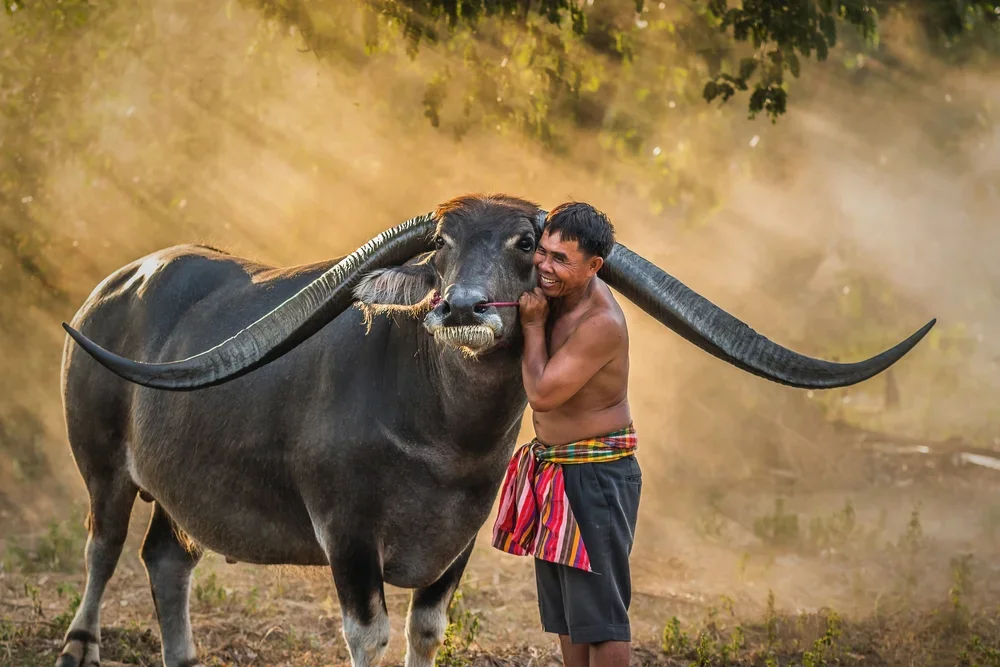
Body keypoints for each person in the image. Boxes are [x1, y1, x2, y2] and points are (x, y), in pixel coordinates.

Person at [492, 202, 641, 667]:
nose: (545, 266)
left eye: (562, 260)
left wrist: (533, 326)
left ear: (595, 266)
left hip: (595, 477)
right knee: (568, 619)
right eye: (543, 251)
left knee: (601, 620)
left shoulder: (601, 324)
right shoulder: (554, 293)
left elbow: (541, 393)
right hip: (557, 474)